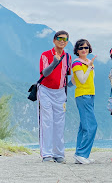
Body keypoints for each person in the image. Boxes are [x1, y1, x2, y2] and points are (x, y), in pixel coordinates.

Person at [38, 30, 72, 163]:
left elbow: (67, 75)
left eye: (65, 39)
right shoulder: (45, 55)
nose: (62, 41)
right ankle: (47, 154)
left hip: (60, 92)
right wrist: (54, 63)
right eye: (59, 38)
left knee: (59, 123)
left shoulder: (68, 57)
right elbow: (45, 73)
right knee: (47, 122)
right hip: (45, 90)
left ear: (67, 42)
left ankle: (58, 153)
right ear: (54, 40)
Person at [71, 38, 97, 164]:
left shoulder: (87, 62)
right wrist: (89, 68)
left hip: (90, 95)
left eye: (86, 47)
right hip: (83, 96)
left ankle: (80, 154)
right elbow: (81, 80)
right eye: (81, 48)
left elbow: (75, 81)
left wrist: (89, 66)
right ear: (77, 50)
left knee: (83, 126)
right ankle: (81, 153)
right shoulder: (77, 63)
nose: (83, 50)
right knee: (91, 126)